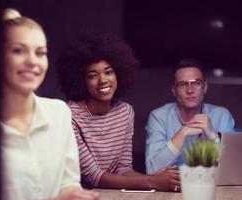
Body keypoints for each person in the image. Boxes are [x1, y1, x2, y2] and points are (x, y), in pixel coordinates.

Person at [56, 31, 180, 192]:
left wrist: (157, 179)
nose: (103, 80)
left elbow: (122, 168)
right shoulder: (70, 115)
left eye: (108, 72)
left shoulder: (125, 112)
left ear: (118, 74)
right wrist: (154, 181)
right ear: (81, 81)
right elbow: (93, 177)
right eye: (93, 76)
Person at [0, 8, 99, 200]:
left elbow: (68, 182)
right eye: (18, 50)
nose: (32, 61)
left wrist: (73, 195)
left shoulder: (59, 112)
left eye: (40, 53)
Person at [145, 58, 236, 174]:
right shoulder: (158, 117)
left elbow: (234, 170)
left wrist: (213, 136)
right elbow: (152, 170)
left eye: (196, 83)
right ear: (174, 90)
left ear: (205, 87)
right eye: (183, 84)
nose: (190, 90)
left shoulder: (222, 115)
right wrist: (182, 133)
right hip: (171, 190)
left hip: (211, 189)